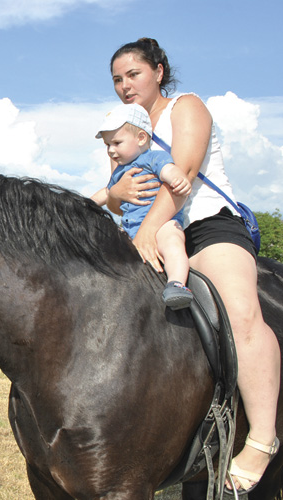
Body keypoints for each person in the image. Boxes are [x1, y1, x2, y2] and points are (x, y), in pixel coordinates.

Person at [106, 37, 280, 495]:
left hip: (206, 226)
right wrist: (113, 196)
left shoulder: (186, 106)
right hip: (155, 232)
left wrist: (147, 232)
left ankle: (262, 439)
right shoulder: (122, 131)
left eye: (134, 74)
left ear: (159, 71)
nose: (125, 86)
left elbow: (182, 173)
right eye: (118, 79)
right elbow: (114, 188)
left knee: (242, 315)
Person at [92, 102, 193, 309]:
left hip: (161, 223)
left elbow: (167, 170)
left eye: (117, 143)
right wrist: (84, 203)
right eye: (107, 145)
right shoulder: (119, 173)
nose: (111, 151)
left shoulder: (154, 157)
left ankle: (177, 283)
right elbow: (107, 193)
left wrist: (176, 178)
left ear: (141, 138)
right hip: (130, 229)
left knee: (172, 241)